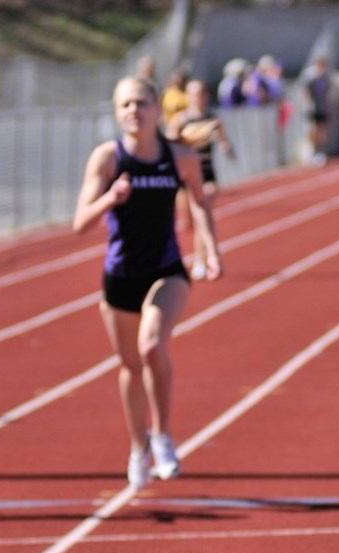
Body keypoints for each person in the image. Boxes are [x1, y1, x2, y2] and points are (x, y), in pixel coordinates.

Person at [73, 76, 221, 489]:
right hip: (120, 277)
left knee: (152, 346)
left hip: (167, 271)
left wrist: (211, 250)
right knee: (130, 366)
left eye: (140, 103)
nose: (133, 111)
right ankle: (138, 448)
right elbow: (79, 222)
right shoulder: (107, 159)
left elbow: (200, 202)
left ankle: (164, 435)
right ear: (117, 113)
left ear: (157, 107)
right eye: (125, 105)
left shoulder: (179, 157)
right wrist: (109, 198)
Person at [169, 78, 235, 278]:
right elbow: (168, 145)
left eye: (200, 93)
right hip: (184, 175)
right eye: (192, 94)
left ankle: (200, 259)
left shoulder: (213, 119)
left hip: (206, 174)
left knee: (201, 218)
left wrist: (227, 149)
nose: (197, 98)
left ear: (206, 96)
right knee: (187, 223)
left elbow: (224, 141)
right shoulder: (180, 120)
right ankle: (197, 256)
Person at [304, 55, 333, 165]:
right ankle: (311, 152)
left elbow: (328, 94)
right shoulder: (313, 79)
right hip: (314, 108)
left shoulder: (326, 79)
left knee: (322, 132)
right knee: (313, 131)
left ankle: (320, 152)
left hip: (323, 108)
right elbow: (306, 93)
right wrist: (308, 106)